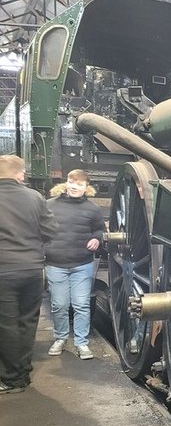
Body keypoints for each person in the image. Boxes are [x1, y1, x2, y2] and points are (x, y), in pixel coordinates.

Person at [0, 154, 56, 394]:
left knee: (7, 324)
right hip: (33, 269)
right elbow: (50, 232)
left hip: (4, 270)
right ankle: (22, 372)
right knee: (27, 321)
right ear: (20, 174)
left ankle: (12, 379)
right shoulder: (35, 197)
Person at [45, 169, 104, 360]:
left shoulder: (93, 209)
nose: (75, 186)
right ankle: (60, 338)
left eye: (80, 184)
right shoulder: (49, 206)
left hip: (82, 264)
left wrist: (97, 239)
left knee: (81, 305)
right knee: (60, 304)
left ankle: (81, 343)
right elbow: (40, 229)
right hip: (55, 264)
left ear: (87, 188)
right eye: (72, 182)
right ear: (66, 183)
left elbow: (99, 230)